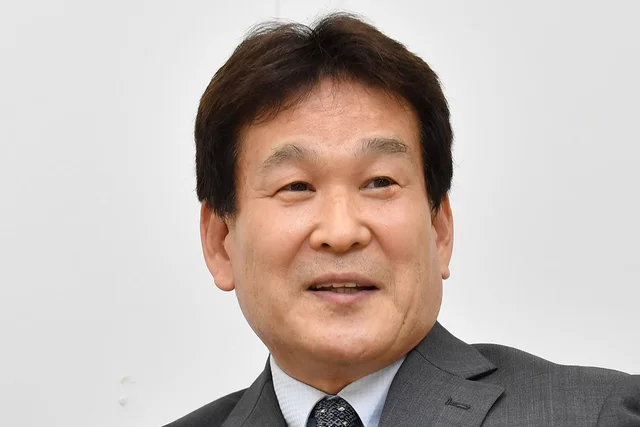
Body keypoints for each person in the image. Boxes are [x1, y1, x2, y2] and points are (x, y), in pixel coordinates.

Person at [164, 12, 639, 427]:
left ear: (440, 230)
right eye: (297, 187)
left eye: (379, 182)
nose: (342, 233)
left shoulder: (598, 415)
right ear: (220, 241)